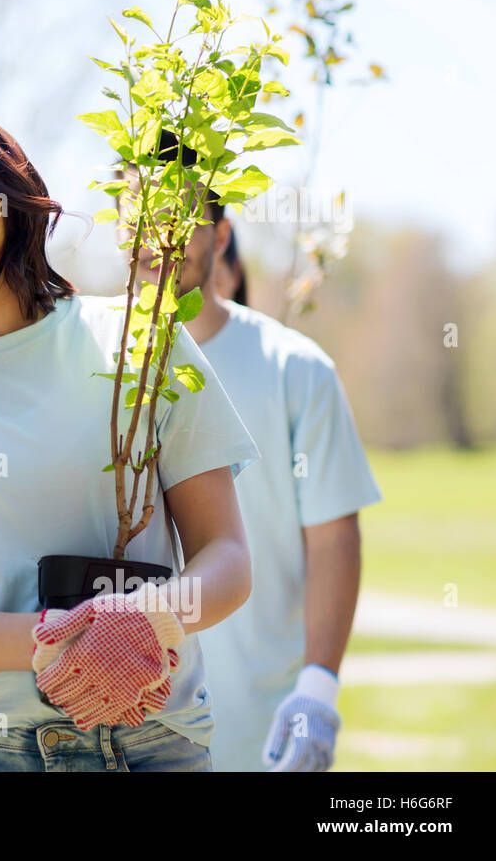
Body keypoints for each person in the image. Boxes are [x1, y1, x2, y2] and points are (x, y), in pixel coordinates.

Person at [0, 102, 261, 772]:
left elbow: (227, 557)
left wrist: (152, 619)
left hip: (150, 741)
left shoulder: (143, 342)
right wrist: (61, 639)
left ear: (10, 191)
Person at [119, 132, 381, 771]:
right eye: (139, 219)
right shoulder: (97, 371)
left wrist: (317, 689)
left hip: (261, 735)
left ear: (222, 231)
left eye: (180, 217)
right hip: (124, 736)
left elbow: (333, 539)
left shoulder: (297, 370)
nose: (160, 238)